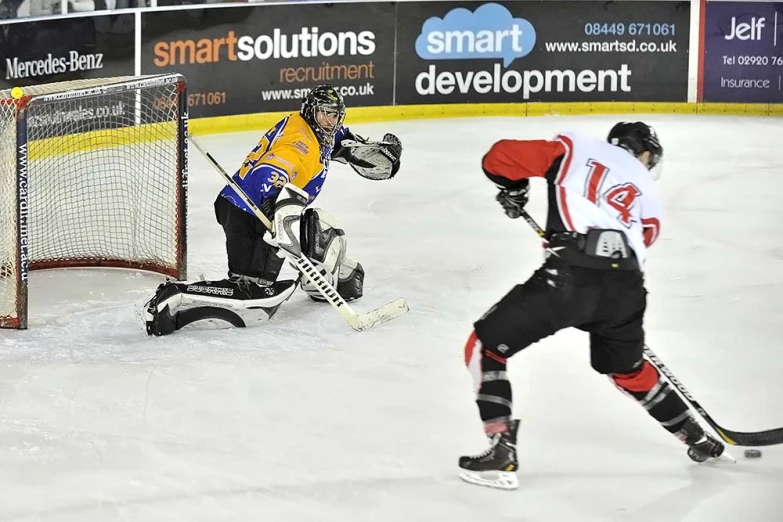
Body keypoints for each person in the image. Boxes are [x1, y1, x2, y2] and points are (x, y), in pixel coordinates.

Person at [458, 122, 725, 490]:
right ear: (644, 152)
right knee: (629, 371)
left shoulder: (576, 150)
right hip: (626, 291)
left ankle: (501, 447)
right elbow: (644, 239)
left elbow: (499, 156)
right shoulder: (646, 190)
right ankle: (696, 437)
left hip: (568, 281)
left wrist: (515, 188)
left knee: (484, 348)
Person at [142, 85, 402, 336]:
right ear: (311, 111)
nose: (330, 121)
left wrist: (378, 152)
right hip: (252, 213)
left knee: (308, 243)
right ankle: (177, 295)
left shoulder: (315, 128)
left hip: (241, 206)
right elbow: (270, 171)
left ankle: (323, 281)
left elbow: (341, 142)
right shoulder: (300, 142)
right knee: (255, 299)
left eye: (334, 115)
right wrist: (276, 204)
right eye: (324, 113)